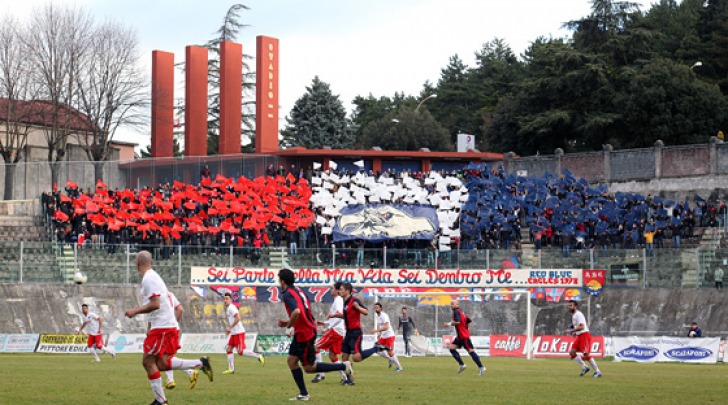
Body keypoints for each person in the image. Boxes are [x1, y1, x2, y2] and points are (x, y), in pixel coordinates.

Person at [124, 251, 213, 405]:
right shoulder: (152, 277)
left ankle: (161, 401)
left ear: (137, 263)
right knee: (162, 364)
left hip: (162, 327)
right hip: (164, 326)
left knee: (147, 362)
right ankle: (200, 363)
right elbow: (160, 305)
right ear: (150, 261)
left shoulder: (149, 279)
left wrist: (135, 310)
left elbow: (155, 304)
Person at [276, 269, 351, 401]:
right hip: (305, 329)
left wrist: (288, 327)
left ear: (282, 281)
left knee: (309, 368)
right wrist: (288, 323)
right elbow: (302, 312)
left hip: (305, 333)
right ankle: (303, 394)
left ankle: (343, 366)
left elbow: (297, 312)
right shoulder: (298, 290)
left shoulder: (287, 294)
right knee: (292, 361)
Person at [333, 282, 386, 385]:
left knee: (356, 358)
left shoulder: (354, 301)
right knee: (344, 356)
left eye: (342, 289)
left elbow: (366, 312)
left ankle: (376, 348)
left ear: (347, 291)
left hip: (355, 333)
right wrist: (335, 315)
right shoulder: (345, 302)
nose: (340, 291)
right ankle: (349, 380)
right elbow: (347, 316)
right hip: (348, 333)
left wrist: (357, 307)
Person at [311, 282, 348, 384]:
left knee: (315, 347)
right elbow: (336, 317)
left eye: (332, 289)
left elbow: (340, 315)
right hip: (338, 330)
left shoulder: (338, 301)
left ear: (337, 290)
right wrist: (325, 323)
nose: (330, 290)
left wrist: (328, 328)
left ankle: (320, 373)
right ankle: (346, 377)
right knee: (332, 356)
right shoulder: (338, 300)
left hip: (336, 331)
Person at [162, 291, 199, 390]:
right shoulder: (170, 294)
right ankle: (188, 373)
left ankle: (171, 380)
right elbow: (180, 310)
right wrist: (174, 323)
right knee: (166, 356)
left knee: (163, 357)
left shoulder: (158, 296)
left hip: (166, 329)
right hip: (173, 328)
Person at [223, 292, 265, 374]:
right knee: (229, 349)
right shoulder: (228, 309)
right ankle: (231, 369)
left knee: (241, 352)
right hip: (234, 333)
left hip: (239, 332)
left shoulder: (232, 308)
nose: (225, 300)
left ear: (231, 300)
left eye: (227, 299)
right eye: (224, 299)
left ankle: (259, 356)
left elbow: (238, 318)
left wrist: (230, 328)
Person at [443, 299, 485, 375]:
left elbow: (458, 322)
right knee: (452, 349)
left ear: (457, 305)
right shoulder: (461, 312)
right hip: (460, 336)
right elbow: (469, 321)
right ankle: (462, 365)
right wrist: (466, 329)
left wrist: (448, 324)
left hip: (463, 336)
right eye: (451, 304)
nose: (451, 305)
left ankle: (481, 367)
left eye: (453, 304)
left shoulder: (456, 311)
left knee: (470, 351)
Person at [565, 300, 602, 378]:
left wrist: (571, 331)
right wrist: (575, 333)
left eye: (571, 305)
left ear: (575, 306)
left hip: (584, 335)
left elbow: (582, 327)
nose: (569, 307)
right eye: (569, 305)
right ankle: (585, 367)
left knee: (586, 354)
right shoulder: (574, 315)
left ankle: (598, 372)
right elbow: (578, 326)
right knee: (572, 352)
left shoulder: (578, 314)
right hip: (579, 336)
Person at [370, 303, 403, 371]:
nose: (376, 309)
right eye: (375, 307)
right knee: (376, 349)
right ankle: (390, 359)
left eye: (377, 307)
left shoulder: (383, 315)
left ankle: (399, 367)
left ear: (380, 308)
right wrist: (379, 333)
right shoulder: (378, 316)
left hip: (389, 336)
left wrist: (376, 330)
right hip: (383, 336)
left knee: (390, 352)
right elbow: (381, 326)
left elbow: (387, 327)